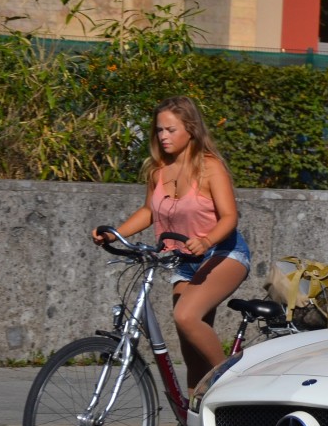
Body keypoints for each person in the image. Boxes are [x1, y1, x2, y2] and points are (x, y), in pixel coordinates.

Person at [92, 96, 251, 393]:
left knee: (186, 316)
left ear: (190, 129)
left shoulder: (210, 167)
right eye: (159, 130)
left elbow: (230, 217)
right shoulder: (157, 170)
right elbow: (149, 212)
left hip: (223, 253)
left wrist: (206, 240)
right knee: (192, 353)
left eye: (171, 130)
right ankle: (195, 424)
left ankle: (231, 383)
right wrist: (115, 233)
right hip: (183, 261)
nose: (163, 136)